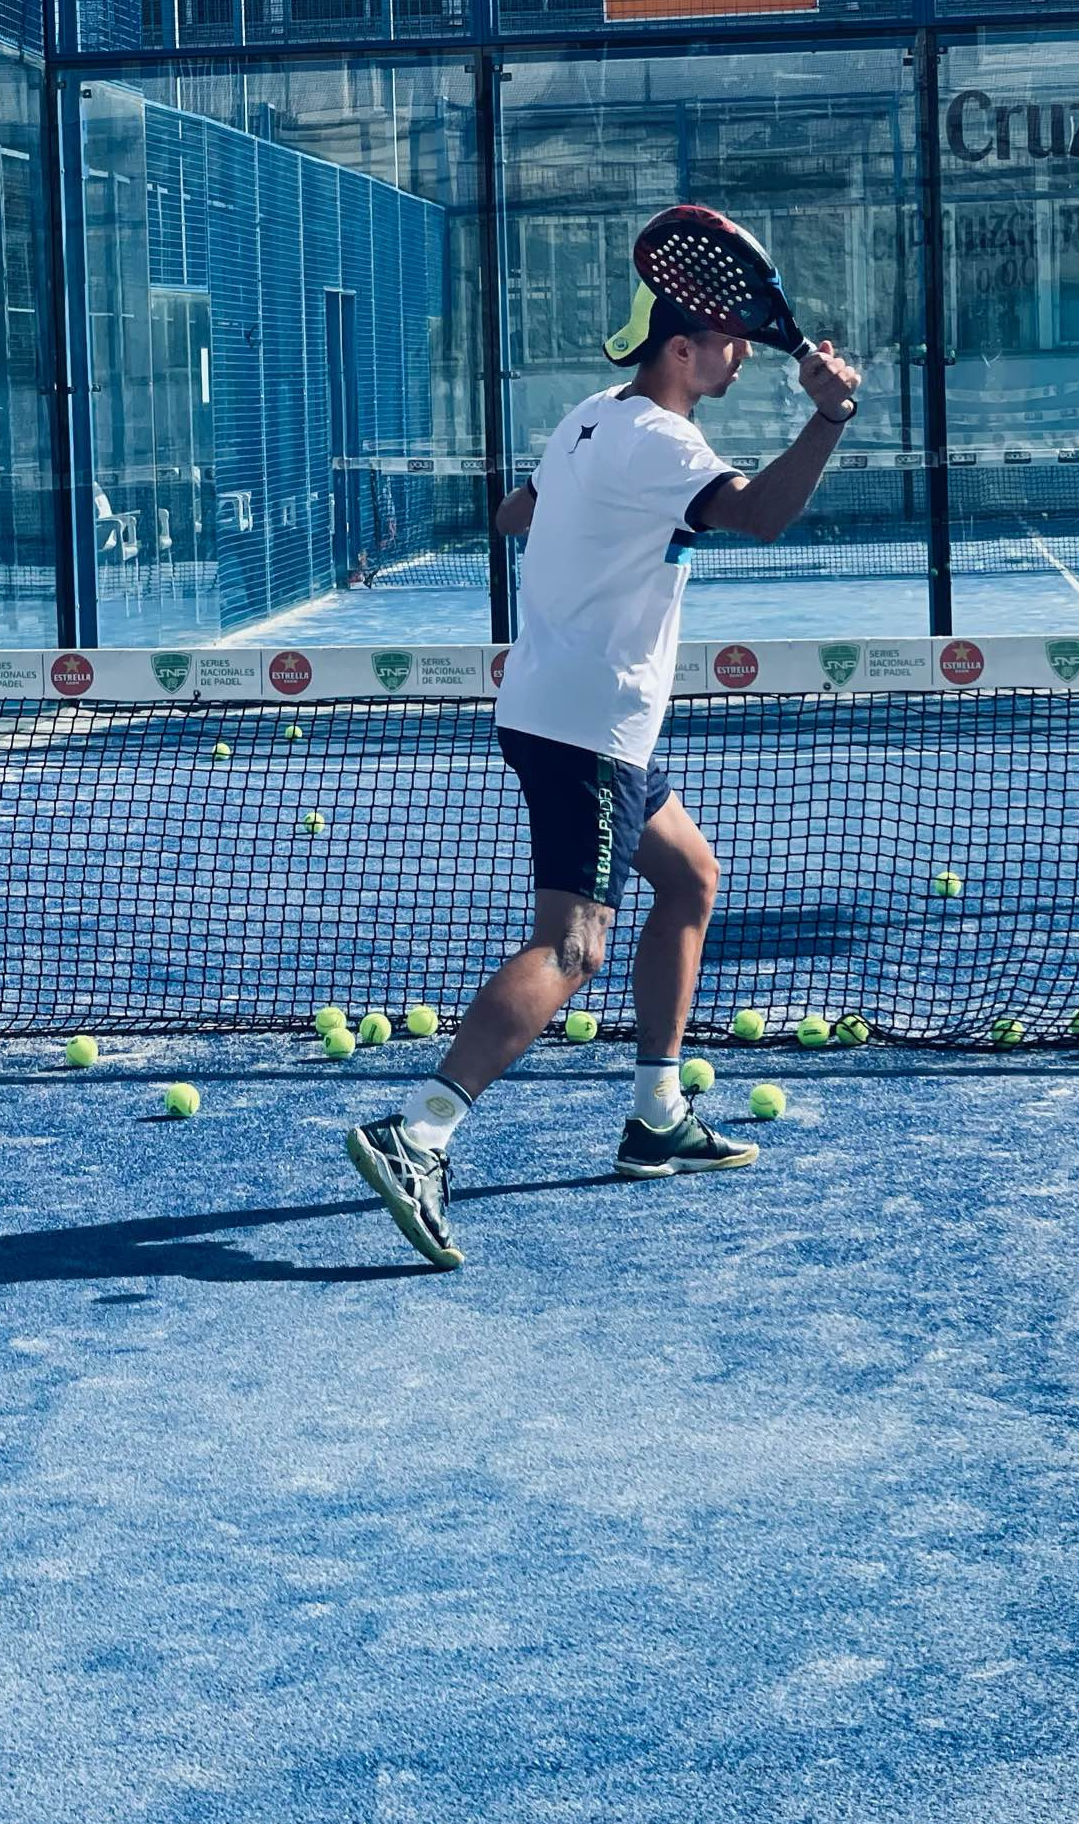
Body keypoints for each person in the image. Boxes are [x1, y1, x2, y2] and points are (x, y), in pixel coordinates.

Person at [346, 274, 862, 1270]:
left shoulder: (592, 417)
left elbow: (515, 513)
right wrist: (828, 418)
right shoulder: (662, 443)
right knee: (574, 945)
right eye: (727, 336)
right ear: (680, 347)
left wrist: (597, 531)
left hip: (562, 707)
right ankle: (419, 1132)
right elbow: (761, 516)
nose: (742, 350)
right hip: (589, 727)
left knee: (691, 876)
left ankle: (657, 1115)